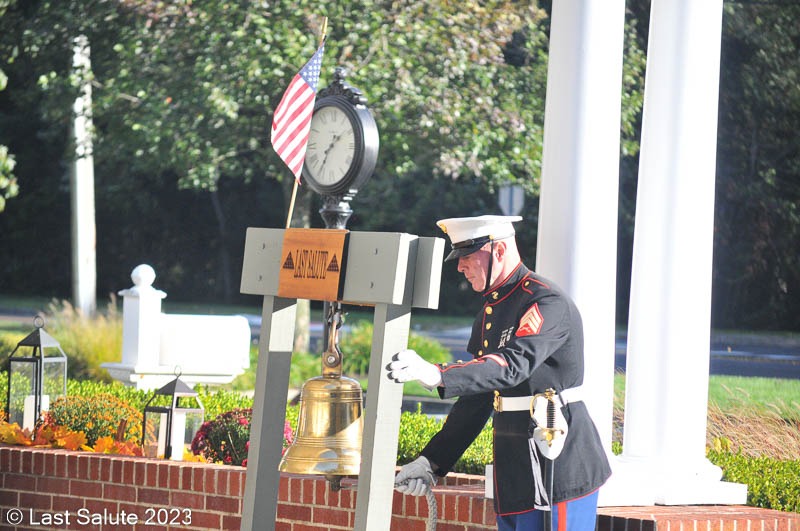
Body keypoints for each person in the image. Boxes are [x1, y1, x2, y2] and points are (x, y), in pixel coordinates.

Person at [386, 215, 611, 531]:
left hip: (558, 461)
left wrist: (439, 374)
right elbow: (477, 399)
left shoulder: (546, 301)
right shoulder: (490, 313)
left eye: (467, 256)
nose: (460, 266)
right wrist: (431, 462)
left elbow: (513, 365)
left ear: (500, 251)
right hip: (514, 471)